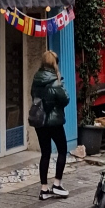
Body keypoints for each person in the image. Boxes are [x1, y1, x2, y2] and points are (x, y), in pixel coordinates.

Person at [31, 50, 71, 199]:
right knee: (62, 150)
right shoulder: (55, 81)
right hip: (54, 122)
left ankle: (44, 189)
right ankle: (57, 184)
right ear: (54, 63)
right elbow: (65, 99)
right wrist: (61, 83)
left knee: (45, 153)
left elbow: (33, 96)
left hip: (40, 121)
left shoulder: (36, 79)